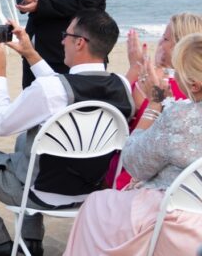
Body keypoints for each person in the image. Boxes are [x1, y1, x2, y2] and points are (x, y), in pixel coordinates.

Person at [0, 9, 133, 256]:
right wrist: (30, 54)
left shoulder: (51, 89)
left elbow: (1, 125)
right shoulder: (121, 85)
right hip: (91, 192)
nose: (61, 40)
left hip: (39, 194)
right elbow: (62, 90)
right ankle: (30, 241)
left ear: (79, 42)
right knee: (25, 139)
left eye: (66, 34)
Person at [64, 33, 202, 255]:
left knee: (97, 202)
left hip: (175, 218)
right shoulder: (180, 114)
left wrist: (154, 106)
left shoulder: (180, 117)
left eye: (180, 73)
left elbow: (134, 162)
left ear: (194, 85)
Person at [106, 12, 202, 188]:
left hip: (148, 176)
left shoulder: (158, 88)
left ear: (180, 46)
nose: (159, 42)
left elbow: (117, 117)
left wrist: (135, 70)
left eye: (165, 39)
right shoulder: (185, 94)